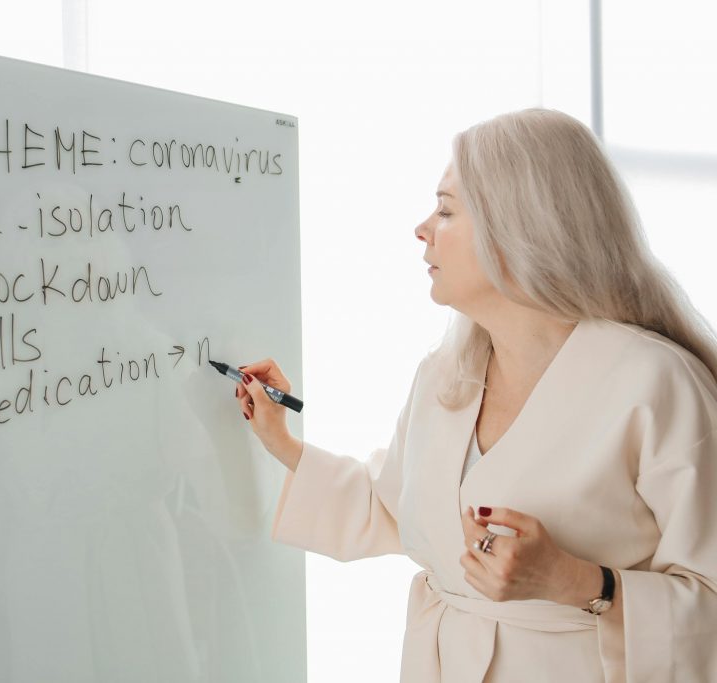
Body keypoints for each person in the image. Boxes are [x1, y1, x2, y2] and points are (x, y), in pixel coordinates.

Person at [234, 108, 717, 682]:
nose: (421, 229)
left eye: (445, 210)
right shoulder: (445, 378)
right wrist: (280, 440)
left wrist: (581, 583)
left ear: (518, 228)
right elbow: (393, 503)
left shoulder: (658, 384)